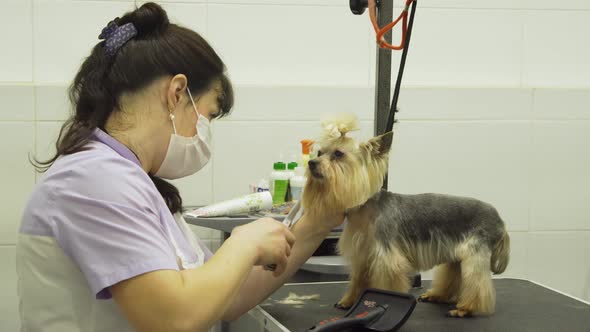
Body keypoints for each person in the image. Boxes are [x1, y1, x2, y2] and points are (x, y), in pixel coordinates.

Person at [16, 3, 344, 331]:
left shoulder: (133, 181)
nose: (204, 132)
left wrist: (319, 221)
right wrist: (244, 244)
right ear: (176, 93)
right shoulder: (95, 180)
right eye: (208, 115)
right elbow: (173, 318)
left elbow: (225, 296)